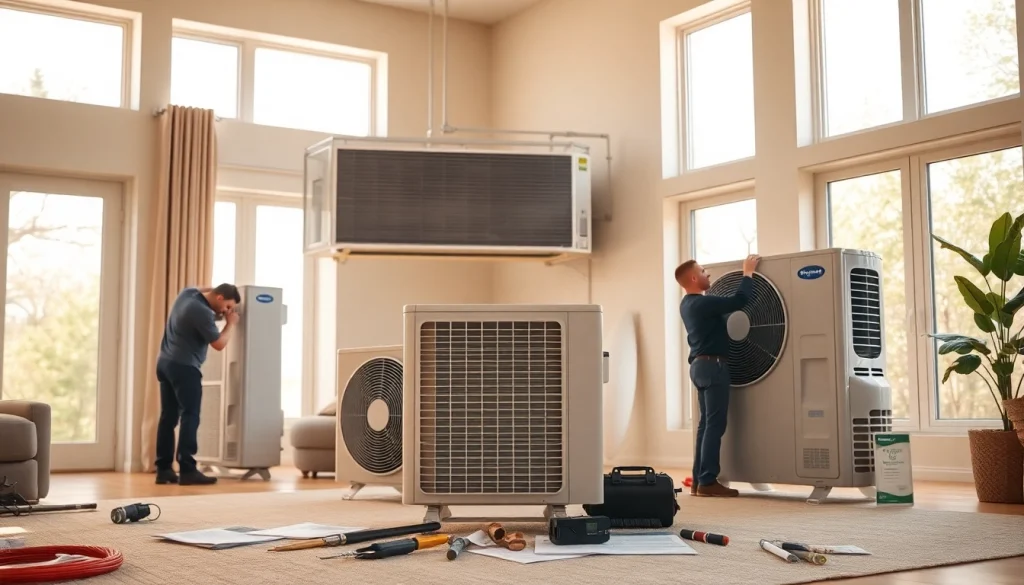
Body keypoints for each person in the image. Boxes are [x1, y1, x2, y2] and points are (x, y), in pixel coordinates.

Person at [675, 254, 760, 498]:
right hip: (714, 367)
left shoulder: (687, 305)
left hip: (699, 368)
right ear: (693, 277)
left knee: (704, 426)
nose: (707, 274)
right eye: (703, 271)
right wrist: (747, 272)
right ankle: (708, 481)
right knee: (715, 425)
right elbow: (740, 301)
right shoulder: (702, 303)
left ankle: (698, 482)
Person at [154, 283, 241, 485]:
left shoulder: (187, 294)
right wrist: (231, 323)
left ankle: (164, 469)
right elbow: (219, 344)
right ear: (219, 297)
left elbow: (202, 287)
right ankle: (187, 469)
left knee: (168, 417)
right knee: (190, 416)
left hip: (165, 363)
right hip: (185, 367)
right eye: (228, 306)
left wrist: (218, 289)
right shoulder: (201, 312)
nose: (228, 311)